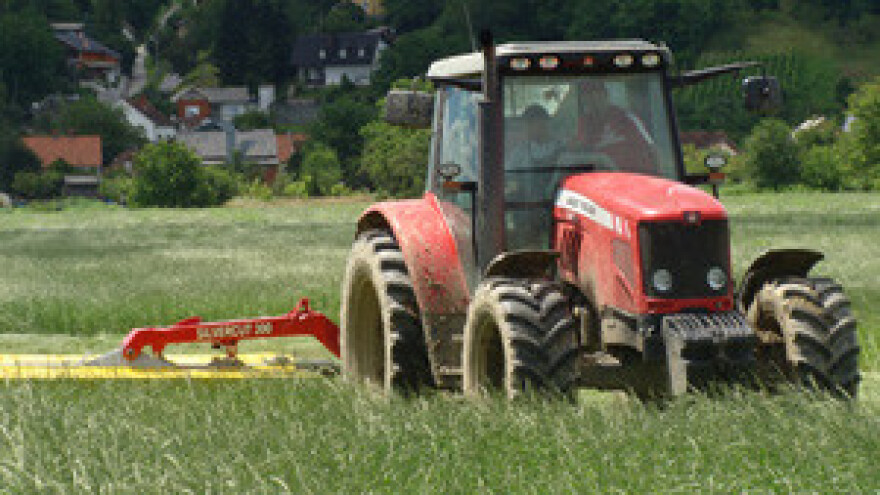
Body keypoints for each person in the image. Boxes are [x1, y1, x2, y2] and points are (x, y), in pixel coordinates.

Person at [568, 79, 657, 174]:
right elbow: (577, 149)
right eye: (587, 96)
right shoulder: (585, 124)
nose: (593, 99)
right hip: (601, 178)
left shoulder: (626, 119)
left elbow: (652, 149)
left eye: (596, 94)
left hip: (634, 177)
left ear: (605, 95)